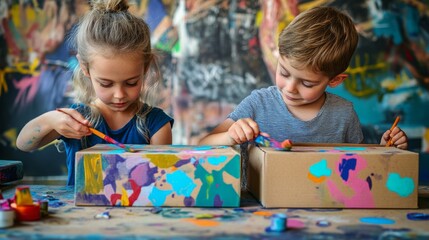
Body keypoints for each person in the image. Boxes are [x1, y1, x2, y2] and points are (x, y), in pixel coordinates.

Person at [198, 6, 408, 149]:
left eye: (307, 83)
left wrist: (385, 149)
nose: (290, 88)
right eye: (284, 72)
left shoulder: (343, 114)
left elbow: (359, 166)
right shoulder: (258, 103)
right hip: (260, 209)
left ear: (335, 80)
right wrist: (230, 136)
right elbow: (203, 144)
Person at [16, 0, 174, 185]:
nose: (119, 94)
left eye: (131, 83)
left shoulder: (156, 124)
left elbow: (160, 182)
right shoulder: (76, 119)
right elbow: (24, 144)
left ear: (145, 67)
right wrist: (52, 120)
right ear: (85, 68)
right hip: (79, 214)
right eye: (106, 84)